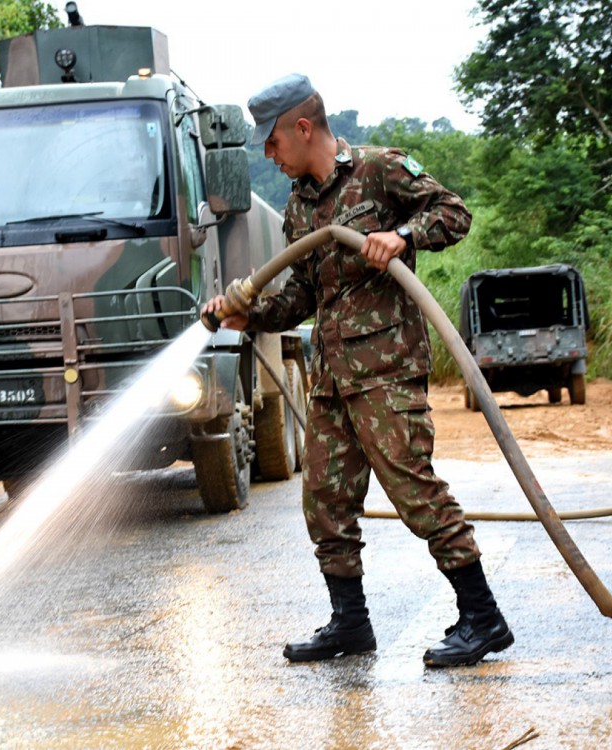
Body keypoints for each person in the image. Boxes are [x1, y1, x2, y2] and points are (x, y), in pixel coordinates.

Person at [202, 73, 512, 668]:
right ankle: (351, 625)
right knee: (324, 502)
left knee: (415, 493)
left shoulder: (379, 169)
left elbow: (455, 213)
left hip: (388, 372)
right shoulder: (299, 207)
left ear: (302, 127)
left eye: (272, 143)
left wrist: (399, 236)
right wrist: (250, 316)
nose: (269, 155)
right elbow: (302, 297)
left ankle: (483, 617)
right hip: (333, 379)